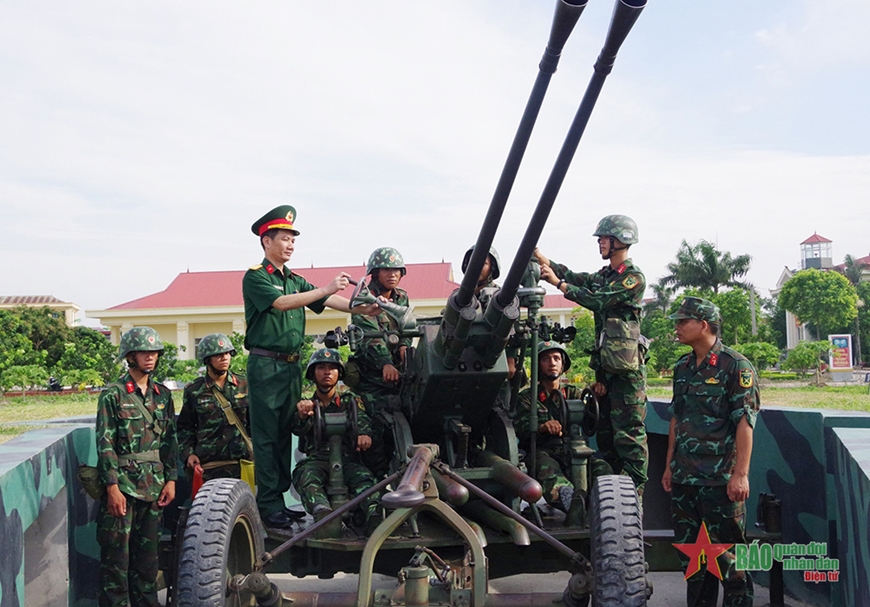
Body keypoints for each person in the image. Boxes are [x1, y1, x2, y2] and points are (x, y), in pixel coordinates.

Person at [243, 205, 378, 529]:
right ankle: (268, 504)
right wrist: (327, 288)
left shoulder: (296, 279)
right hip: (265, 365)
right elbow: (282, 303)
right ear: (267, 241)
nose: (290, 245)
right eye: (285, 239)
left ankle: (278, 502)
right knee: (265, 437)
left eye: (293, 240)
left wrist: (364, 309)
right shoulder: (257, 277)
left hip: (290, 366)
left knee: (283, 434)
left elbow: (332, 301)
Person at [535, 214, 648, 495]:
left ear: (621, 241)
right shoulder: (605, 275)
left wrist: (559, 286)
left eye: (605, 239)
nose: (600, 243)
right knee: (609, 442)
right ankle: (612, 503)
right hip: (607, 377)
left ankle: (634, 504)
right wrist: (544, 260)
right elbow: (576, 277)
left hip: (627, 379)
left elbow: (598, 299)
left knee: (630, 442)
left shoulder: (632, 278)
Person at [661, 297, 759, 607]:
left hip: (720, 479)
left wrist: (740, 475)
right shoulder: (682, 366)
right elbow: (677, 418)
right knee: (693, 562)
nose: (677, 328)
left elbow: (745, 423)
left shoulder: (736, 366)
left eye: (682, 322)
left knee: (730, 560)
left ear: (703, 325)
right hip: (684, 479)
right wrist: (668, 467)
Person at [95, 327, 177, 607]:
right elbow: (104, 443)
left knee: (147, 564)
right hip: (124, 488)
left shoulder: (163, 395)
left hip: (154, 488)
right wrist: (112, 487)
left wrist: (171, 479)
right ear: (130, 356)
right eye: (144, 352)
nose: (150, 357)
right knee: (116, 563)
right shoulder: (113, 395)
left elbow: (170, 441)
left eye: (154, 352)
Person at [513, 341, 609, 512]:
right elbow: (521, 427)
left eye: (557, 358)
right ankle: (570, 502)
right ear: (538, 365)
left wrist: (597, 397)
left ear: (563, 364)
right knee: (548, 471)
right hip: (543, 451)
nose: (552, 363)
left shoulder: (574, 394)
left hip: (574, 450)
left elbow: (589, 420)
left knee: (602, 470)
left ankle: (605, 505)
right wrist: (542, 426)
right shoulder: (527, 398)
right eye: (546, 359)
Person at [291, 349, 378, 530]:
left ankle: (375, 514)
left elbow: (361, 418)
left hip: (347, 459)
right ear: (313, 374)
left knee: (365, 480)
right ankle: (322, 511)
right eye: (321, 367)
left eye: (332, 368)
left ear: (339, 374)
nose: (327, 372)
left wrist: (364, 434)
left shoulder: (350, 401)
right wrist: (302, 416)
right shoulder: (308, 405)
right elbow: (297, 430)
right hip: (318, 460)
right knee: (306, 476)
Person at [347, 246, 412, 478]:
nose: (392, 274)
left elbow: (407, 325)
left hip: (399, 378)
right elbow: (368, 336)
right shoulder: (365, 298)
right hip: (372, 379)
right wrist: (386, 362)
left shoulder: (401, 297)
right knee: (374, 438)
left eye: (396, 270)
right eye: (386, 269)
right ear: (375, 272)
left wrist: (405, 347)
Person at [177, 333, 252, 482]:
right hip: (208, 468)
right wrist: (188, 454)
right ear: (207, 359)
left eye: (227, 353)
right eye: (218, 355)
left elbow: (256, 424)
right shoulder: (194, 390)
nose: (224, 358)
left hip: (242, 465)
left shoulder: (245, 385)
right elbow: (185, 428)